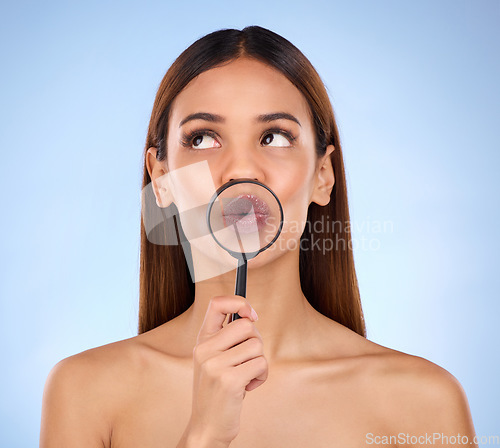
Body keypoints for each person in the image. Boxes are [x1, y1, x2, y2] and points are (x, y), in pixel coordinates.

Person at [40, 26, 477, 448]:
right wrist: (204, 436)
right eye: (203, 138)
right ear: (161, 179)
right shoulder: (84, 392)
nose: (242, 170)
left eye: (274, 136)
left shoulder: (423, 401)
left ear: (323, 176)